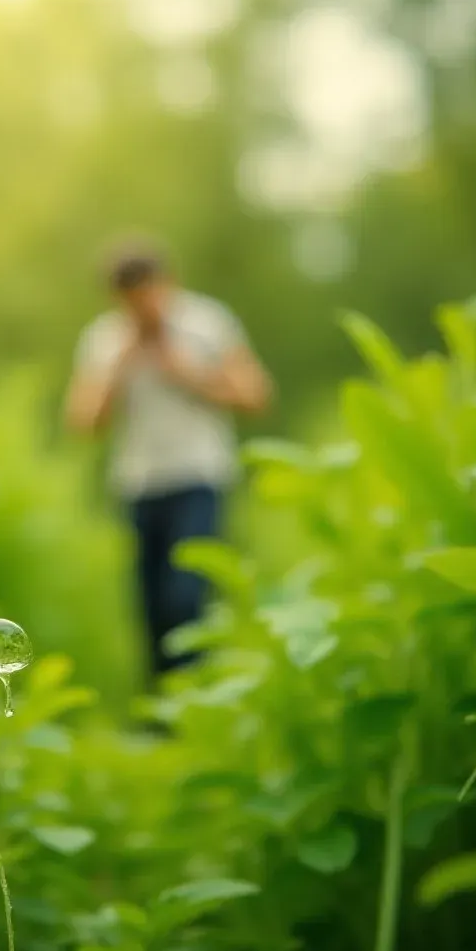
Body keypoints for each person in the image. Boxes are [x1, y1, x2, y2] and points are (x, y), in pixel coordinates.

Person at [64, 240, 273, 687]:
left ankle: (200, 689)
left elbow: (256, 395)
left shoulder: (207, 323)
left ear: (167, 284)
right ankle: (164, 710)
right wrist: (117, 369)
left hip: (200, 476)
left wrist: (188, 375)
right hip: (139, 484)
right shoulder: (103, 339)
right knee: (151, 607)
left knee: (187, 596)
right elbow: (83, 422)